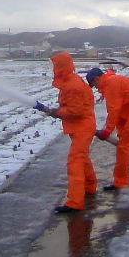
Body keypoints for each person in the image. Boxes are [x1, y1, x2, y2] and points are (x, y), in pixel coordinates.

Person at [42, 52, 98, 214]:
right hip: (81, 126)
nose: (53, 69)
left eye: (55, 66)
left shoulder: (72, 85)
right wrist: (58, 110)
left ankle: (75, 202)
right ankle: (89, 187)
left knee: (75, 162)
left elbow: (76, 111)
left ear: (61, 67)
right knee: (82, 158)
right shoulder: (70, 80)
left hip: (82, 126)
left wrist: (56, 112)